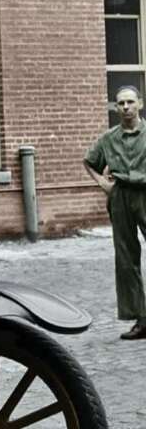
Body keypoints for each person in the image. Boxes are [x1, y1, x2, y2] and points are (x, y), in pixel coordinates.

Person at [83, 84, 146, 339]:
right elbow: (89, 161)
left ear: (140, 104)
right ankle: (142, 319)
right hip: (120, 196)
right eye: (121, 103)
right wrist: (103, 183)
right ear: (116, 107)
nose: (126, 107)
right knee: (126, 258)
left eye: (130, 102)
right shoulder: (109, 138)